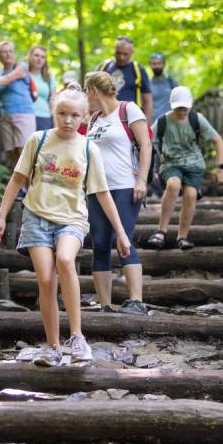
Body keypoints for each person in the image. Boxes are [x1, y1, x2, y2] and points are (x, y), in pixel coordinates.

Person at [0, 84, 131, 367]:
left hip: (71, 219)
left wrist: (122, 233)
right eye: (62, 114)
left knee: (65, 260)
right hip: (36, 217)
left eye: (75, 115)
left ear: (85, 117)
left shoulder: (89, 148)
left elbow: (101, 193)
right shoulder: (38, 140)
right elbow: (17, 179)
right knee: (45, 280)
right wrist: (1, 216)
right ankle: (52, 346)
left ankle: (77, 337)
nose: (68, 120)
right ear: (54, 112)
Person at [84, 71, 152, 314]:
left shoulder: (128, 109)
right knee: (100, 242)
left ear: (93, 90)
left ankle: (136, 300)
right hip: (96, 189)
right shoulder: (93, 119)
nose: (85, 96)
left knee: (122, 239)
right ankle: (105, 304)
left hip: (125, 185)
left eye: (86, 91)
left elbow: (146, 144)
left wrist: (142, 180)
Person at [146, 86, 223, 250]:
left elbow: (218, 140)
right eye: (178, 108)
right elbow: (146, 141)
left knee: (190, 194)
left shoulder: (197, 119)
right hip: (170, 163)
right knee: (173, 185)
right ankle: (161, 231)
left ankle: (182, 236)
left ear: (190, 105)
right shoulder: (162, 121)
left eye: (185, 108)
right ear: (171, 105)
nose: (182, 111)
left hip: (194, 164)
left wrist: (220, 167)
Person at [0, 41, 36, 167]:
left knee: (23, 151)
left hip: (23, 114)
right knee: (11, 153)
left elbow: (8, 79)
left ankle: (29, 185)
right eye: (4, 52)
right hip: (5, 116)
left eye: (11, 51)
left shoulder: (21, 67)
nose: (8, 54)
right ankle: (19, 186)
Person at [97, 36, 153, 120]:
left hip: (130, 118)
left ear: (132, 52)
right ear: (114, 50)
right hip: (105, 116)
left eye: (125, 54)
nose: (121, 57)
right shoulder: (103, 67)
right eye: (118, 53)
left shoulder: (138, 70)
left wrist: (146, 121)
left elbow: (147, 99)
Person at [27, 45, 56, 131]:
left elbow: (53, 99)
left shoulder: (49, 78)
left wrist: (54, 117)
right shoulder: (24, 75)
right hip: (27, 116)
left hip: (45, 117)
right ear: (30, 57)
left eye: (42, 57)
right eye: (36, 55)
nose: (39, 59)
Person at [148, 53, 179, 122]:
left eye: (159, 63)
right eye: (154, 64)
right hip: (153, 125)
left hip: (171, 123)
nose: (157, 66)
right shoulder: (147, 85)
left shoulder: (171, 83)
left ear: (164, 64)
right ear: (150, 65)